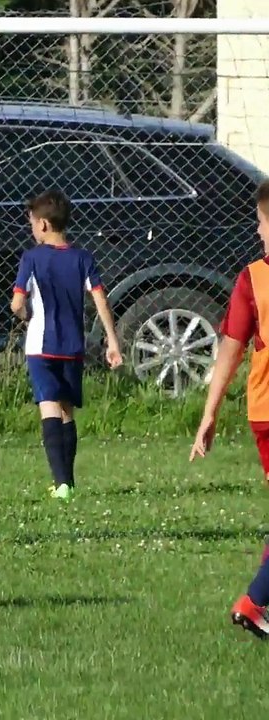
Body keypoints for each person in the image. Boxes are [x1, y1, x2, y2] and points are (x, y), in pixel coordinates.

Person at [190, 179, 269, 639]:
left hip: (263, 411)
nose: (258, 233)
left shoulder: (252, 278)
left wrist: (210, 412)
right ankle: (254, 601)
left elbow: (230, 351)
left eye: (261, 224)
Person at [10, 189, 122, 501]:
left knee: (48, 408)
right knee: (67, 411)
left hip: (41, 347)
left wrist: (25, 314)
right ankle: (67, 482)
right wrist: (112, 342)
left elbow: (17, 302)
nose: (32, 229)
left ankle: (61, 483)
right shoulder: (83, 258)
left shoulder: (32, 258)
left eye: (32, 223)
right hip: (73, 347)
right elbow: (100, 299)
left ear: (43, 224)